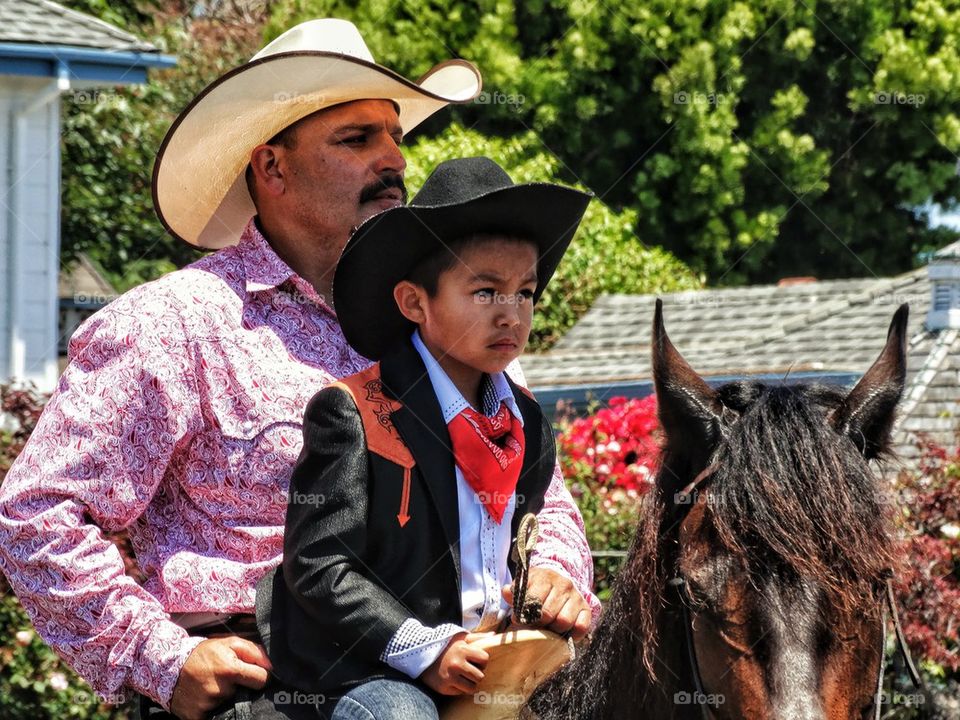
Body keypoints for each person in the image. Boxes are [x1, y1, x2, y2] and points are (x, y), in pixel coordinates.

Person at [0, 17, 599, 720]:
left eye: (395, 136)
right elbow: (36, 512)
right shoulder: (173, 324)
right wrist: (158, 658)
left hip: (465, 671)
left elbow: (542, 497)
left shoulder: (450, 314)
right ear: (273, 167)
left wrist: (555, 570)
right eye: (357, 138)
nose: (395, 159)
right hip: (271, 685)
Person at [256, 157, 592, 719]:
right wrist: (426, 650)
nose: (511, 315)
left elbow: (524, 543)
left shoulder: (528, 423)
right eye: (485, 292)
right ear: (415, 302)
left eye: (525, 293)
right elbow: (318, 565)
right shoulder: (353, 413)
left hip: (489, 657)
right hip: (369, 666)